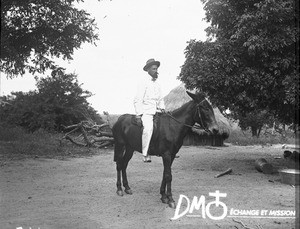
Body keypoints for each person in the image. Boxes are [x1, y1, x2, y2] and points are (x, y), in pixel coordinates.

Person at [134, 58, 165, 162]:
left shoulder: (158, 84)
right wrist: (139, 114)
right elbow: (138, 99)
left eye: (156, 69)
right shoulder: (143, 82)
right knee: (148, 129)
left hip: (158, 111)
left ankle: (165, 149)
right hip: (147, 112)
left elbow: (161, 99)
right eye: (154, 69)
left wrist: (163, 108)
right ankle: (146, 153)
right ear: (148, 70)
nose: (156, 70)